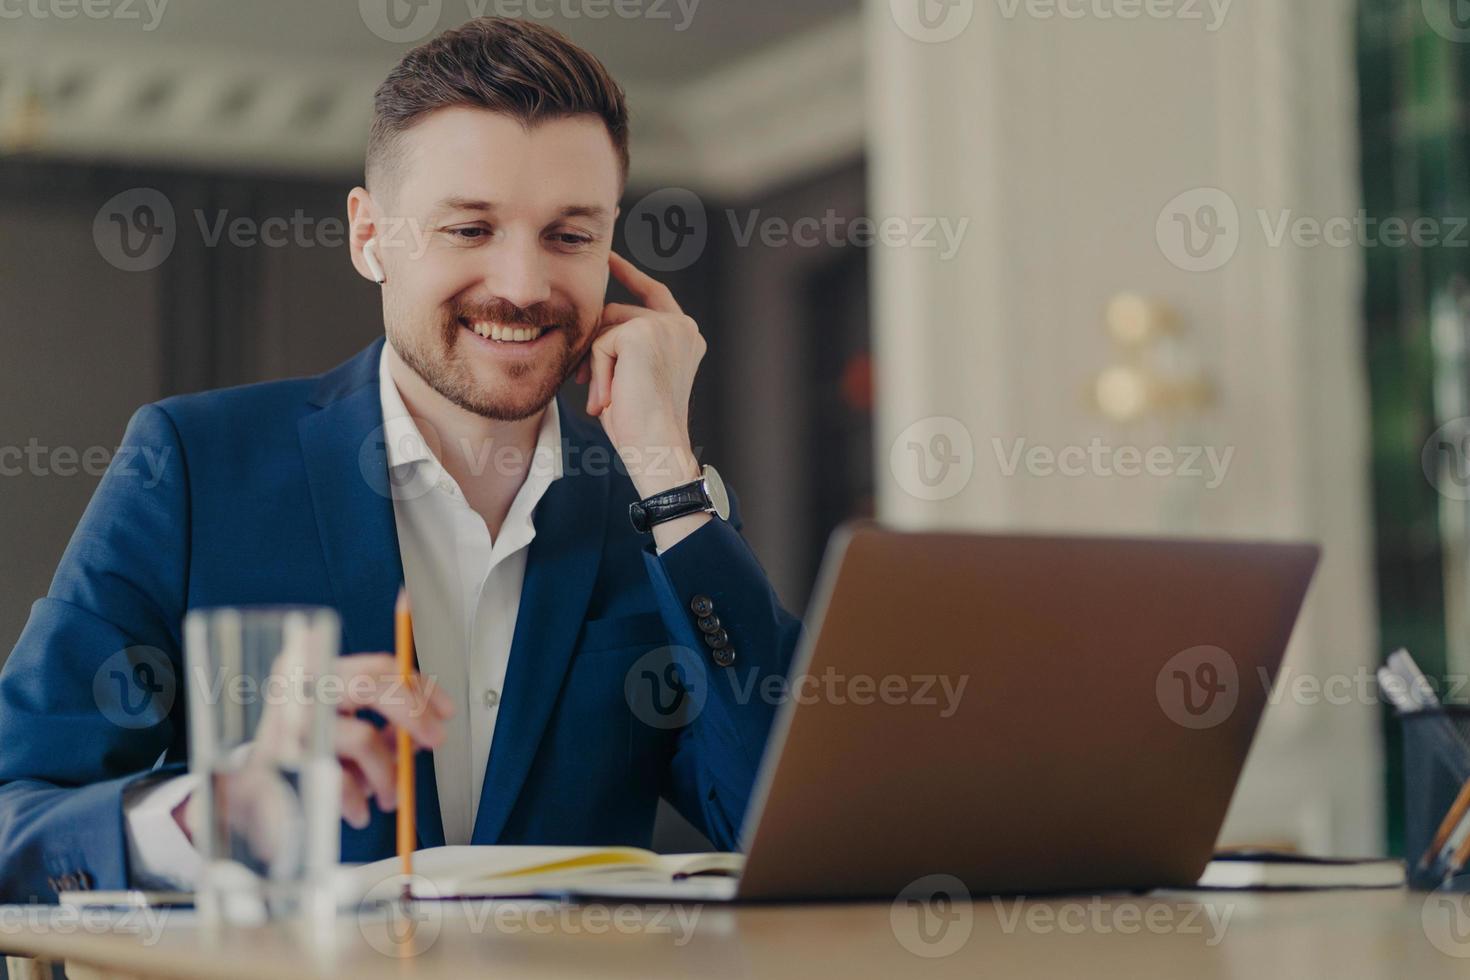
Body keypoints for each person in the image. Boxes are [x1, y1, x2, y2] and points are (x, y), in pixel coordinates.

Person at [0, 16, 801, 901]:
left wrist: (668, 477)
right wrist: (206, 815)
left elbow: (792, 827)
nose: (524, 285)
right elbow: (14, 811)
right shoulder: (191, 467)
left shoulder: (656, 514)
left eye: (569, 236)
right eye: (469, 228)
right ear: (368, 235)